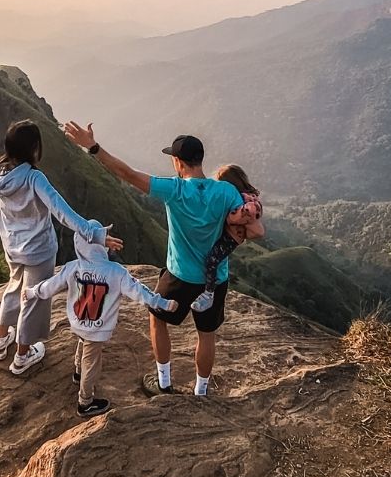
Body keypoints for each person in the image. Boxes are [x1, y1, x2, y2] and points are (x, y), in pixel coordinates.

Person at [63, 123, 242, 397]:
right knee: (207, 335)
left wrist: (93, 147)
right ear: (200, 160)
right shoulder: (226, 192)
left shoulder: (175, 190)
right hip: (215, 278)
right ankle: (201, 392)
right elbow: (247, 224)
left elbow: (127, 174)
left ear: (177, 161)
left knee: (157, 320)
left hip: (180, 275)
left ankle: (164, 383)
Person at [0, 119, 121, 376]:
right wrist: (96, 235)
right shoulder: (35, 179)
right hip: (39, 251)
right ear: (34, 148)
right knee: (33, 298)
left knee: (13, 287)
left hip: (11, 246)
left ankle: (1, 341)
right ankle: (23, 355)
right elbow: (62, 212)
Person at [23, 229, 178, 418]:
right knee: (92, 361)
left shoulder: (73, 267)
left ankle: (78, 373)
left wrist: (32, 292)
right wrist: (162, 303)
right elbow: (140, 293)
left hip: (78, 322)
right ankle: (85, 402)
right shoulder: (116, 272)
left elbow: (51, 286)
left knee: (82, 342)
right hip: (97, 329)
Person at [190, 164, 264, 313]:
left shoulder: (246, 201)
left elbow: (236, 220)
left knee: (212, 260)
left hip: (230, 239)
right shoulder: (247, 197)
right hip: (231, 237)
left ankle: (208, 293)